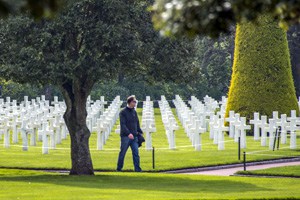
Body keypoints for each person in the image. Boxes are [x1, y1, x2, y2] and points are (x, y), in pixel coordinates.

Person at [117, 95, 143, 172]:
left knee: (136, 153)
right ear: (130, 102)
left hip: (134, 136)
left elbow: (137, 123)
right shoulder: (123, 112)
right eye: (134, 101)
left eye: (135, 101)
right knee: (123, 152)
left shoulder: (134, 112)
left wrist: (140, 132)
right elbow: (123, 124)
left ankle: (137, 169)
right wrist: (128, 134)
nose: (135, 103)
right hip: (126, 136)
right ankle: (119, 168)